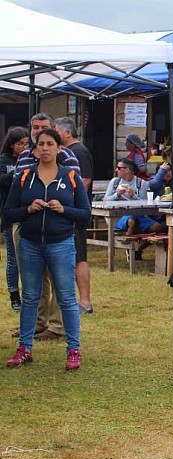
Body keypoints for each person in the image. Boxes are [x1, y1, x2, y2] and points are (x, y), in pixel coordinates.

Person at [4, 128, 91, 370]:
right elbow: (8, 212)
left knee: (66, 297)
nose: (44, 148)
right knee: (30, 297)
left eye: (49, 143)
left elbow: (85, 215)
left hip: (61, 244)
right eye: (40, 144)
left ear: (58, 148)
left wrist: (64, 210)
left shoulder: (71, 177)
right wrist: (28, 209)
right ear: (35, 149)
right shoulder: (23, 177)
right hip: (30, 243)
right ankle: (24, 348)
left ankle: (73, 349)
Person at [16, 112, 81, 342]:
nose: (38, 133)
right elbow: (15, 196)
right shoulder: (23, 157)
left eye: (44, 128)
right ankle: (35, 324)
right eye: (35, 128)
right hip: (28, 230)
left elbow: (77, 193)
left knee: (61, 284)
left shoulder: (69, 158)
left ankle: (56, 326)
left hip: (59, 231)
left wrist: (62, 208)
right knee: (32, 283)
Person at [55, 117, 94, 314]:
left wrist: (68, 201)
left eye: (56, 131)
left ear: (67, 133)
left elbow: (84, 181)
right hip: (68, 212)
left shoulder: (79, 152)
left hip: (76, 212)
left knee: (79, 257)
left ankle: (85, 302)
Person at [0, 126, 28, 311]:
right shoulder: (4, 160)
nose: (24, 147)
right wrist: (16, 173)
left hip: (26, 212)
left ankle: (29, 294)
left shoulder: (30, 160)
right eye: (20, 144)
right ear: (11, 145)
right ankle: (13, 295)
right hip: (9, 212)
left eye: (26, 143)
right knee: (12, 257)